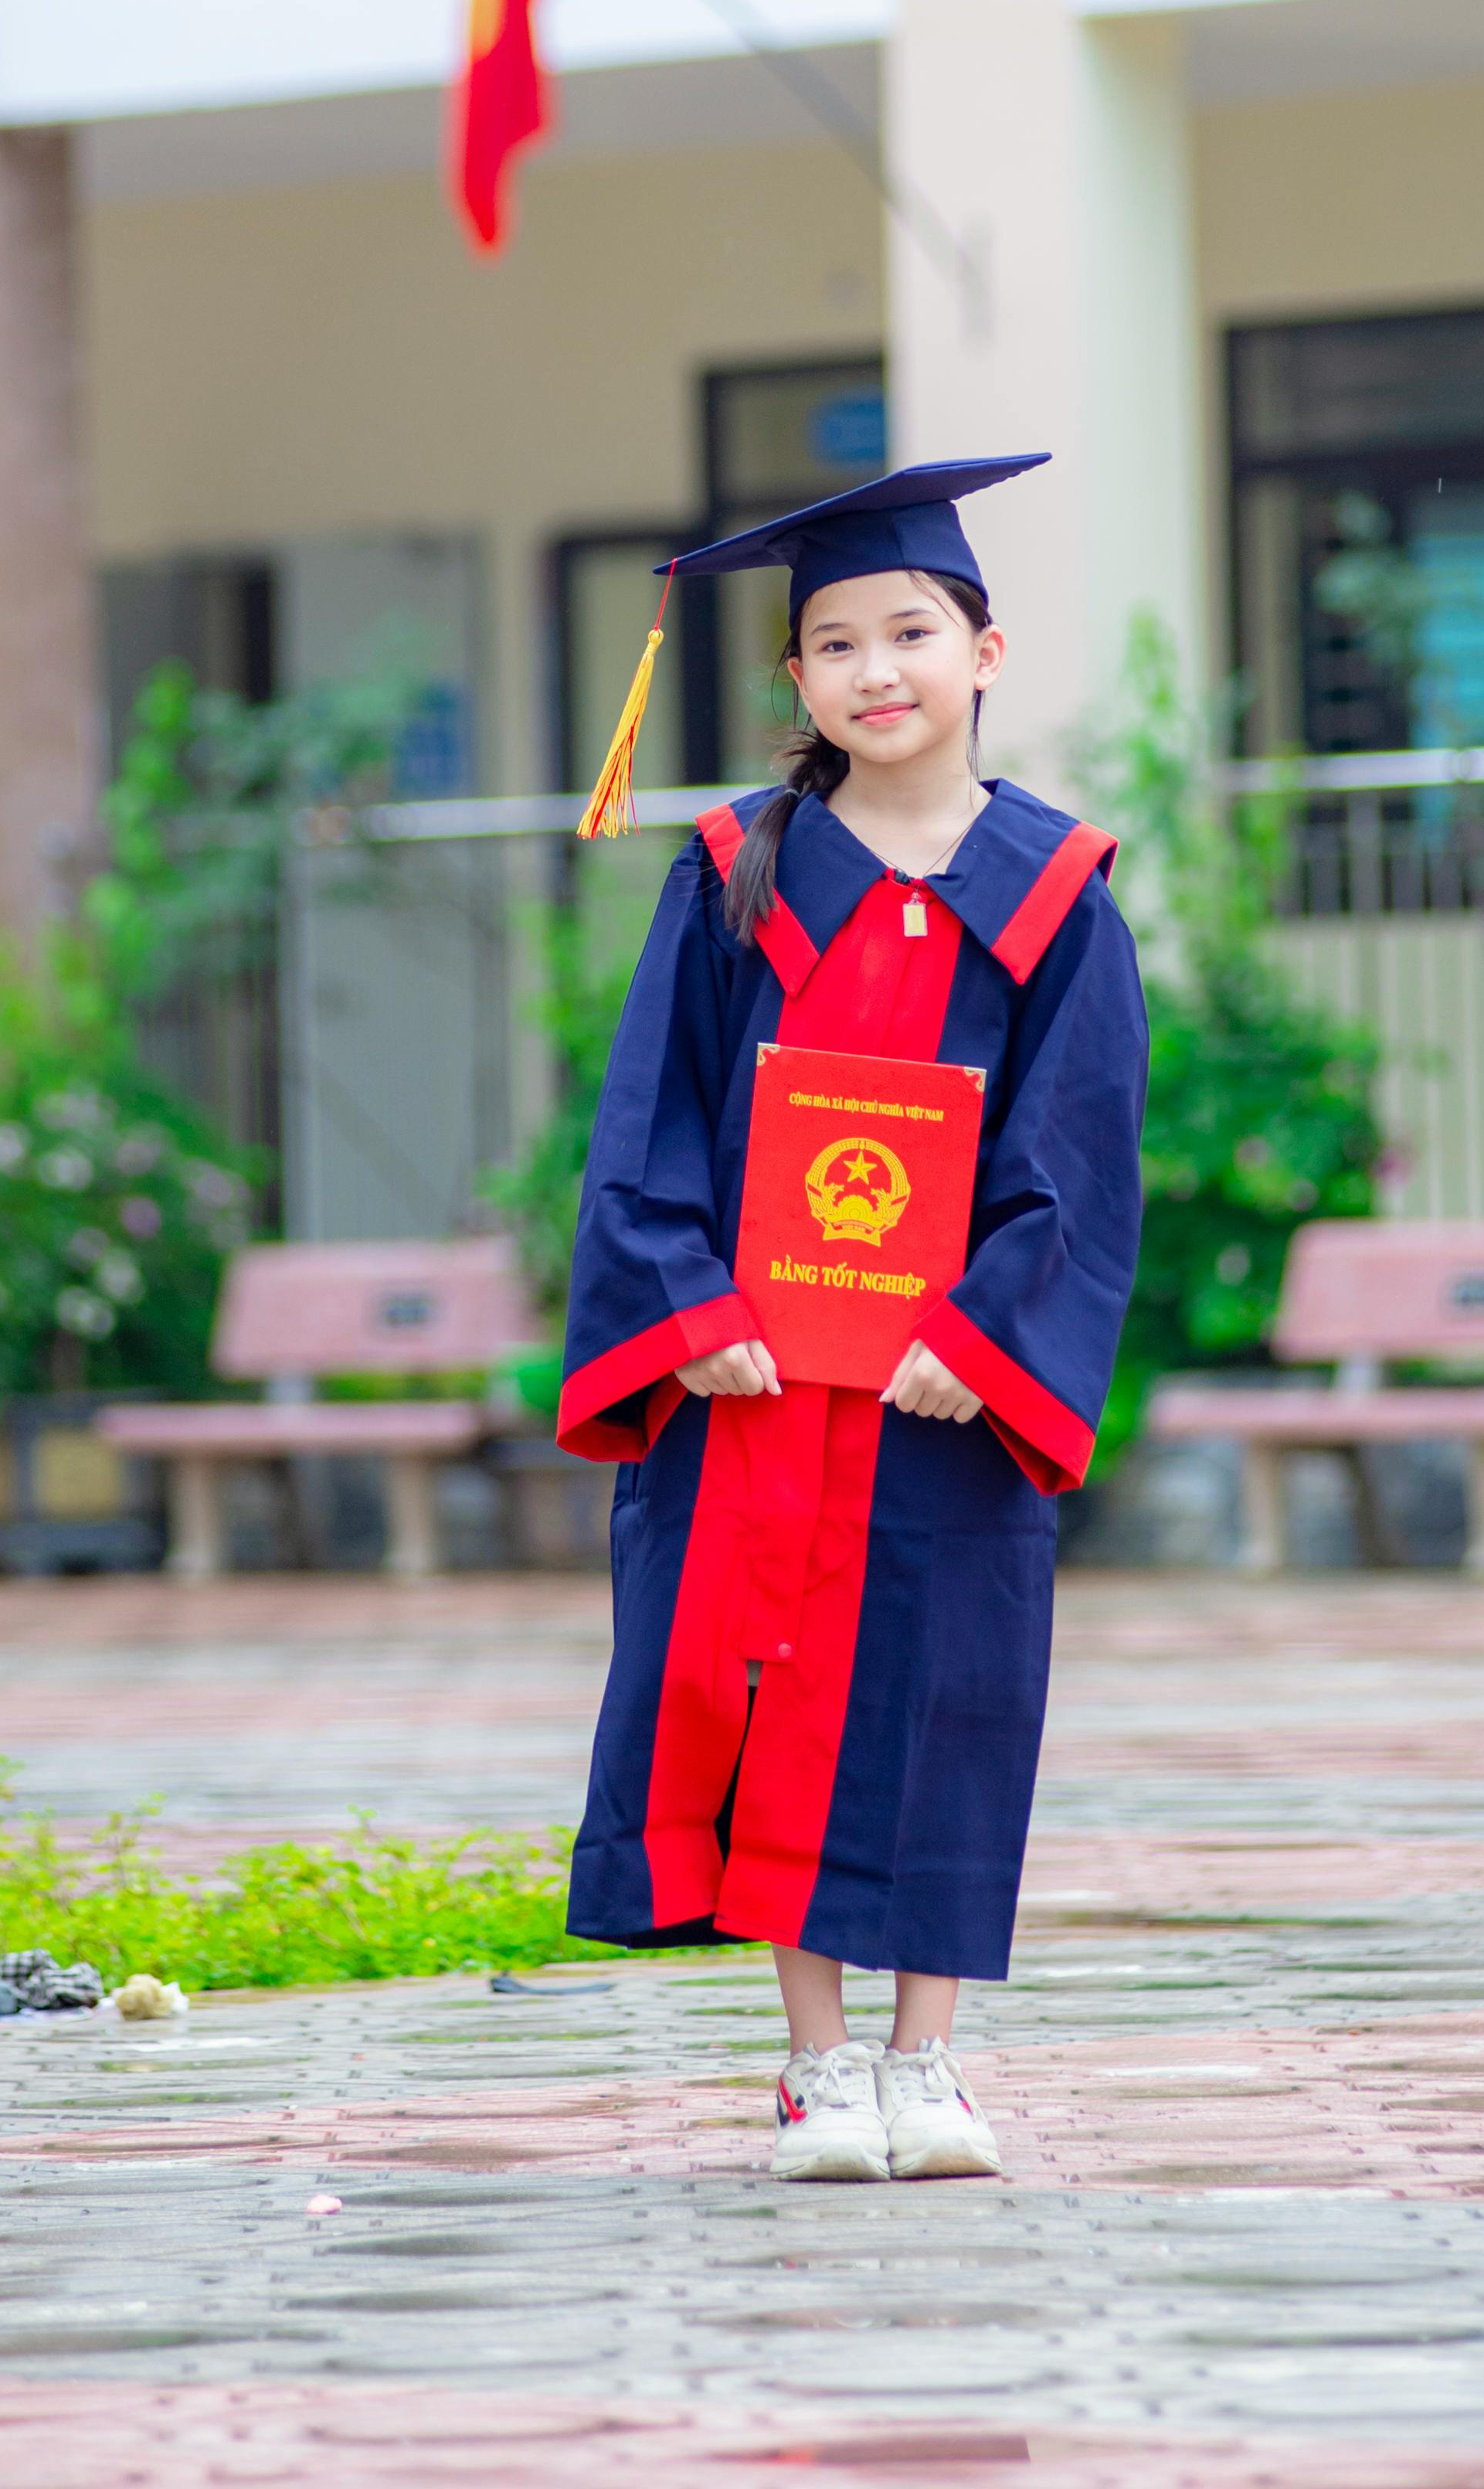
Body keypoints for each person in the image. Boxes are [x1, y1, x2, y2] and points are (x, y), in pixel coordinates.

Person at [556, 454, 1147, 2184]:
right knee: (764, 1689)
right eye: (834, 644)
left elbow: (1077, 1151)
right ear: (797, 679)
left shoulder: (1054, 893)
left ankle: (925, 2061)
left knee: (945, 1692)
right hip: (756, 1384)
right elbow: (650, 1118)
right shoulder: (735, 875)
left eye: (910, 632)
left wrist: (984, 1335)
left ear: (985, 652)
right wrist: (683, 1303)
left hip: (935, 1394)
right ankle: (818, 2065)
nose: (875, 670)